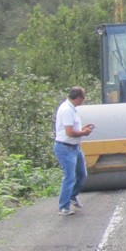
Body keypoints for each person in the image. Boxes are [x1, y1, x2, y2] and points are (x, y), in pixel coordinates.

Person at [53, 86, 94, 215]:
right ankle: (63, 207)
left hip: (75, 147)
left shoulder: (72, 109)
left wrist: (82, 128)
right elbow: (69, 132)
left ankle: (72, 195)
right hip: (65, 147)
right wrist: (84, 132)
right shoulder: (66, 110)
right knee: (69, 177)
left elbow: (72, 127)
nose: (83, 101)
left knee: (82, 174)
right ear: (78, 98)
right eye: (83, 98)